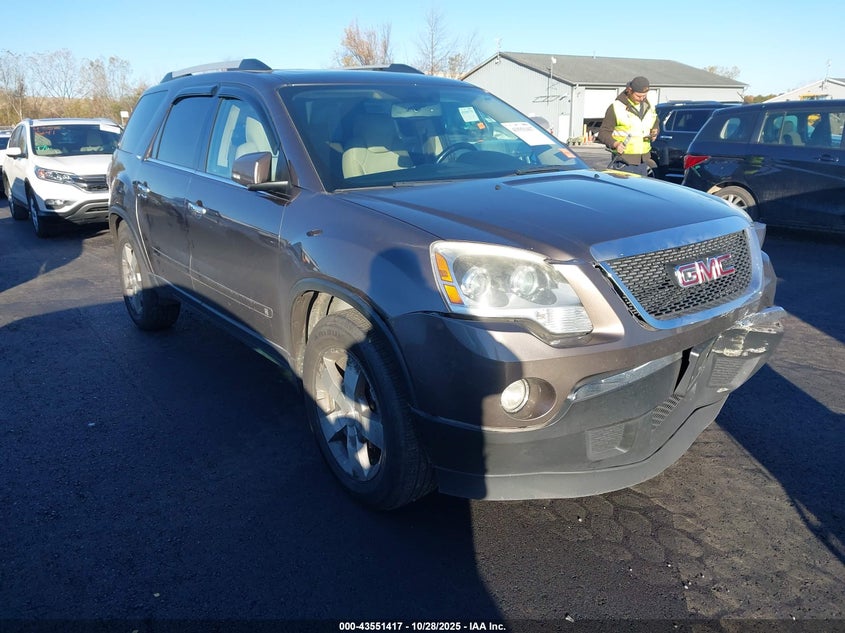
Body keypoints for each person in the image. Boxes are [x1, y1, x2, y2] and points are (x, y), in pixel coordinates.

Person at [598, 76, 659, 176]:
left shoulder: (649, 106)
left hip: (643, 160)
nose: (642, 99)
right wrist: (615, 144)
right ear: (630, 91)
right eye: (638, 96)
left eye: (644, 96)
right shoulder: (616, 107)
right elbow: (603, 132)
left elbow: (655, 122)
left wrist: (655, 131)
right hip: (624, 161)